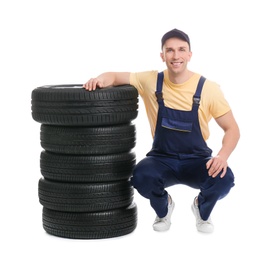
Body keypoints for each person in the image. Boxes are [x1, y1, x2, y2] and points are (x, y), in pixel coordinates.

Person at [83, 28, 240, 233]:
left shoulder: (208, 88)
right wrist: (100, 80)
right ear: (162, 55)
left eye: (181, 50)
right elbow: (113, 75)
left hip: (197, 160)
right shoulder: (150, 80)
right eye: (170, 50)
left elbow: (232, 129)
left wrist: (222, 156)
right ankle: (164, 208)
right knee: (141, 176)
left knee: (224, 178)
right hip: (162, 159)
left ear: (189, 55)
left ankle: (201, 209)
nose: (176, 56)